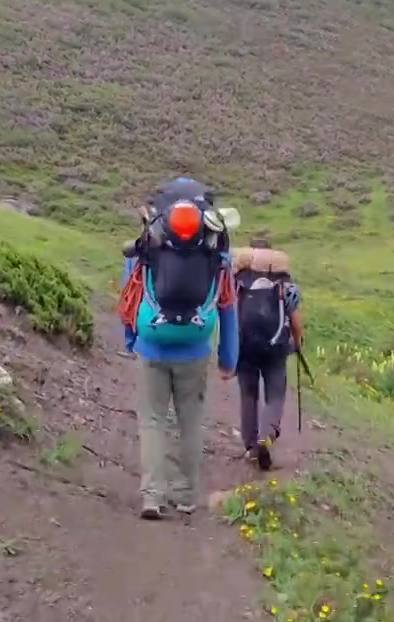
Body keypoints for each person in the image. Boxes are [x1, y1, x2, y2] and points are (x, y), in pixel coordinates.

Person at [118, 177, 238, 519]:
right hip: (195, 346)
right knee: (190, 419)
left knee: (153, 420)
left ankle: (153, 496)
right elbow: (227, 305)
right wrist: (229, 356)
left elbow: (131, 293)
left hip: (152, 343)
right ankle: (185, 495)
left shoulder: (149, 242)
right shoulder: (216, 248)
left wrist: (131, 338)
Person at [232, 238, 303, 471]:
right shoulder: (284, 282)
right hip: (276, 347)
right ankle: (266, 436)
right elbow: (294, 319)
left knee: (248, 395)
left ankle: (251, 447)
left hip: (245, 345)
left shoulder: (238, 279)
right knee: (275, 396)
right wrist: (297, 343)